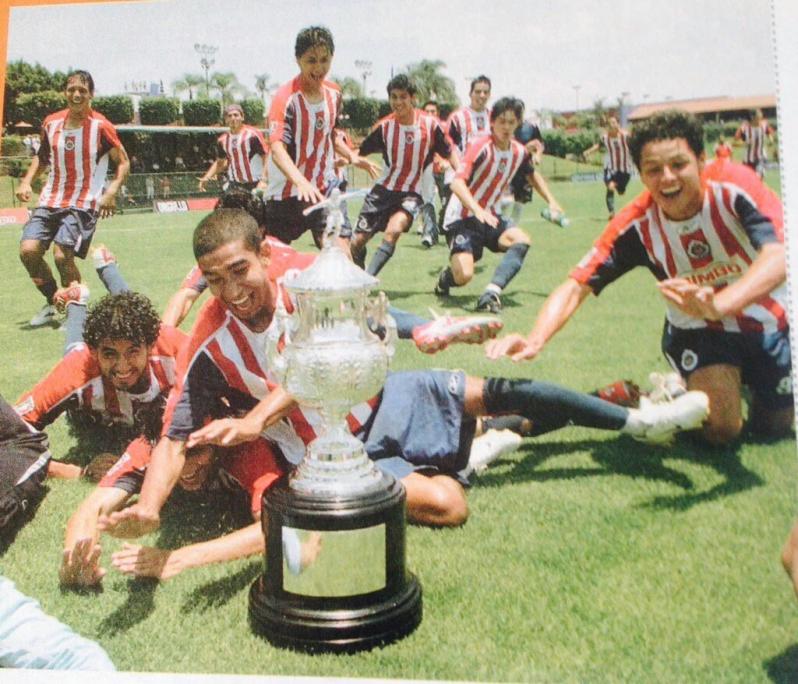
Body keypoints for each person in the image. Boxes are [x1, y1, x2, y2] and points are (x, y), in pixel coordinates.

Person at [97, 209, 708, 564]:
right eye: (213, 281)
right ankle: (485, 446)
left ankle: (638, 422)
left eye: (240, 272)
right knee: (449, 506)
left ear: (264, 254)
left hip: (388, 397)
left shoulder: (309, 280)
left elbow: (368, 318)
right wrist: (149, 510)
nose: (232, 292)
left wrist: (432, 327)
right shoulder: (210, 343)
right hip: (341, 457)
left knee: (505, 389)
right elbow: (177, 433)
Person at [487, 109, 791, 446]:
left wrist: (720, 303)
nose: (668, 178)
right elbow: (576, 285)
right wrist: (536, 338)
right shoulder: (636, 227)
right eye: (653, 170)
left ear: (701, 160)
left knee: (773, 429)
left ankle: (690, 388)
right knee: (722, 429)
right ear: (641, 175)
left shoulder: (735, 187)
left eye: (678, 165)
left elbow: (781, 256)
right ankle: (661, 395)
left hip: (766, 319)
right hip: (700, 329)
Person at [12, 293, 187, 586]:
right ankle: (76, 307)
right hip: (91, 419)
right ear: (95, 352)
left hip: (143, 429)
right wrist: (70, 470)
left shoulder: (177, 350)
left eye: (132, 351)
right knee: (72, 348)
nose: (122, 366)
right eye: (109, 354)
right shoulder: (79, 369)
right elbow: (11, 433)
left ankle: (76, 304)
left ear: (149, 344)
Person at [15, 70, 130, 328]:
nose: (76, 95)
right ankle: (52, 300)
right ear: (65, 92)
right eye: (71, 90)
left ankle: (76, 310)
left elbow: (123, 162)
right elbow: (42, 157)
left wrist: (110, 193)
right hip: (50, 199)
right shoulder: (51, 123)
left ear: (91, 94)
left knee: (61, 254)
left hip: (83, 202)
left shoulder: (101, 127)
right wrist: (25, 181)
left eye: (83, 91)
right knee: (28, 251)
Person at [434, 97, 565, 314]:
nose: (506, 127)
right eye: (502, 121)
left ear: (518, 124)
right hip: (462, 218)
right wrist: (476, 209)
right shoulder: (480, 147)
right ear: (492, 122)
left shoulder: (518, 152)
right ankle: (445, 279)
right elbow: (457, 183)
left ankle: (490, 293)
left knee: (521, 240)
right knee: (464, 276)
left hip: (491, 217)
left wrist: (552, 202)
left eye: (512, 122)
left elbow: (532, 176)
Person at [264, 25, 378, 248]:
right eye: (311, 60)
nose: (319, 67)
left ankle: (354, 270)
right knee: (270, 261)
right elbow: (277, 149)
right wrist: (300, 181)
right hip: (285, 196)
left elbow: (330, 134)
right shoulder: (285, 99)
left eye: (324, 60)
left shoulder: (334, 93)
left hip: (323, 188)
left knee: (341, 255)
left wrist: (352, 157)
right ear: (298, 60)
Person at [349, 74, 459, 276]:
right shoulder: (384, 128)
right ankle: (360, 268)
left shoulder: (430, 126)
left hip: (411, 192)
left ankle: (367, 279)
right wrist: (349, 158)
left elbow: (449, 151)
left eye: (403, 97)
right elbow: (360, 152)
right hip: (382, 192)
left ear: (412, 98)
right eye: (393, 97)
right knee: (356, 242)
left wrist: (461, 174)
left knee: (394, 231)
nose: (398, 102)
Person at [438, 75, 493, 227]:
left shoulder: (494, 118)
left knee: (482, 221)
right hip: (461, 176)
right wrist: (462, 171)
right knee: (453, 220)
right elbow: (448, 146)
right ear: (470, 93)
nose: (482, 95)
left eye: (485, 92)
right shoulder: (458, 117)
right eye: (478, 91)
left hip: (484, 178)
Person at [197, 103, 268, 198]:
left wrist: (264, 180)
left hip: (256, 183)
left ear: (242, 117)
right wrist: (207, 177)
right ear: (225, 120)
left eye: (236, 115)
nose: (233, 118)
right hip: (235, 184)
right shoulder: (222, 140)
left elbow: (266, 157)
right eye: (229, 116)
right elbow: (220, 163)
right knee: (227, 211)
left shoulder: (253, 135)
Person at [582, 115, 633, 219]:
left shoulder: (625, 136)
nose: (612, 125)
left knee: (621, 192)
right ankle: (612, 212)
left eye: (614, 123)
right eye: (610, 124)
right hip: (612, 168)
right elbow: (598, 146)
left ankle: (620, 189)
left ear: (618, 124)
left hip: (625, 170)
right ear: (607, 127)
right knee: (610, 186)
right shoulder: (605, 138)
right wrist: (588, 152)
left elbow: (636, 144)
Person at [418, 100, 449, 247]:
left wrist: (446, 162)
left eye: (433, 111)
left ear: (438, 113)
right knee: (427, 201)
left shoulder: (445, 128)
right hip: (428, 168)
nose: (430, 115)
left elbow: (451, 148)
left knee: (447, 202)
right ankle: (428, 234)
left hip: (444, 170)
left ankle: (442, 227)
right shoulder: (419, 128)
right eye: (427, 111)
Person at [734, 109, 774, 179]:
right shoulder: (744, 127)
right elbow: (734, 142)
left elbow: (770, 133)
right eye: (759, 117)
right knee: (748, 180)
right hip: (748, 159)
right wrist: (745, 143)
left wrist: (771, 140)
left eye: (761, 117)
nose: (761, 119)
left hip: (761, 157)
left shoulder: (764, 124)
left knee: (759, 178)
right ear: (753, 118)